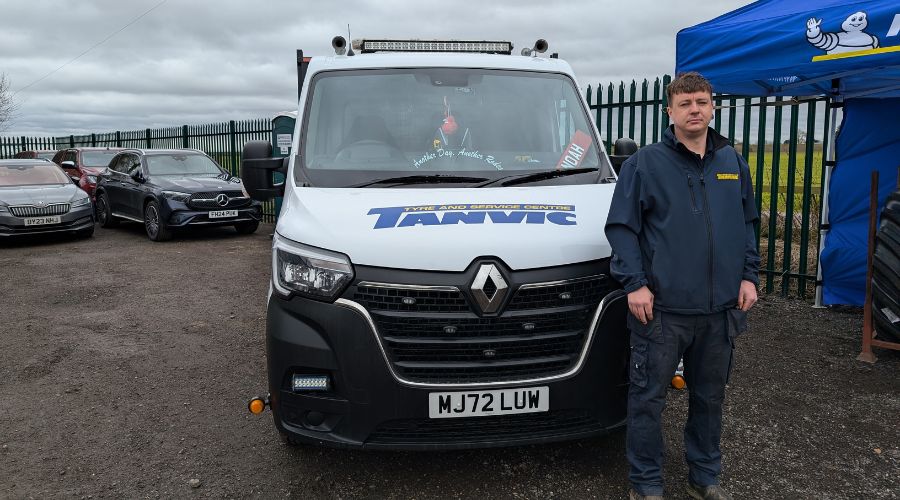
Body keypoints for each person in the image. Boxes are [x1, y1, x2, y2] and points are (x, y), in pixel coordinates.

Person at [604, 72, 760, 500]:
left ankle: (705, 478)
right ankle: (647, 484)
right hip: (662, 312)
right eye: (686, 103)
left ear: (713, 108)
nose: (695, 109)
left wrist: (750, 275)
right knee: (648, 400)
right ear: (669, 111)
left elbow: (747, 224)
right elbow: (621, 228)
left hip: (720, 311)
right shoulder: (645, 164)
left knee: (710, 399)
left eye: (702, 102)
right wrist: (635, 283)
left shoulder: (733, 163)